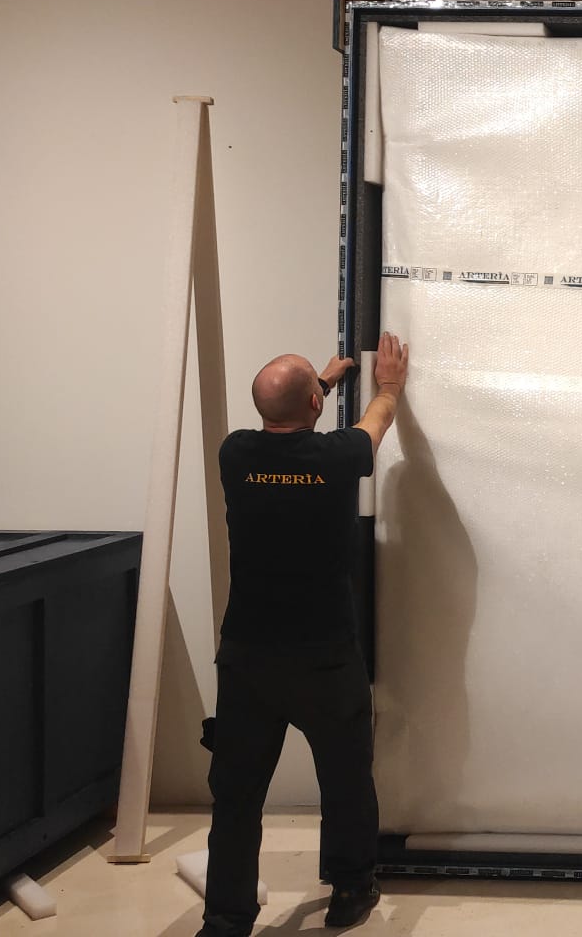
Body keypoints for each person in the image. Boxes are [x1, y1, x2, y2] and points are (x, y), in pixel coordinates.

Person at [198, 334, 408, 937]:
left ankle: (226, 919)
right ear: (315, 404)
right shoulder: (338, 457)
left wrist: (322, 381)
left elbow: (286, 419)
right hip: (324, 659)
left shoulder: (235, 454)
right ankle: (350, 889)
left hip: (248, 660)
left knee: (236, 796)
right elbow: (378, 420)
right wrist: (388, 384)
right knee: (345, 780)